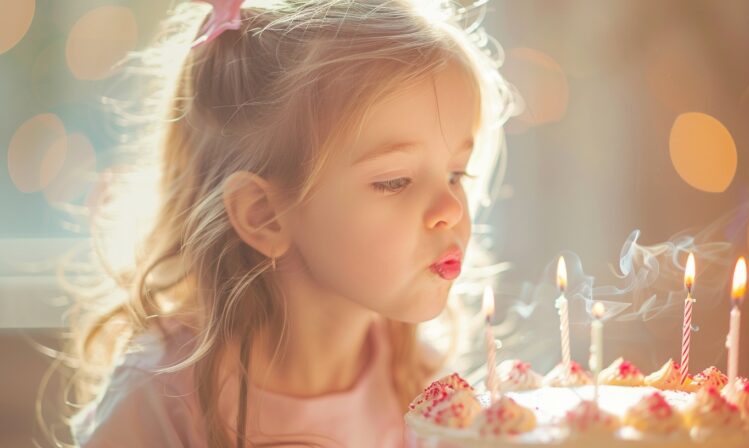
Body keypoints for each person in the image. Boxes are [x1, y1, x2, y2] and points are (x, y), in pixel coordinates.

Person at [62, 0, 516, 446]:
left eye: (456, 173)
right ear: (265, 215)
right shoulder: (160, 398)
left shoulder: (419, 382)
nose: (452, 208)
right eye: (395, 181)